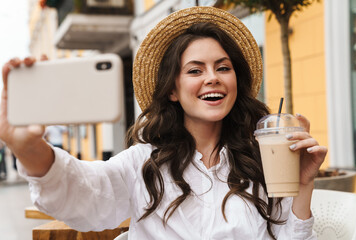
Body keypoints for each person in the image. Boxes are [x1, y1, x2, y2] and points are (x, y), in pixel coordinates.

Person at [0, 6, 327, 239]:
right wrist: (29, 149)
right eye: (195, 70)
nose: (212, 78)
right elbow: (83, 194)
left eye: (223, 68)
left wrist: (304, 184)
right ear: (172, 89)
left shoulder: (263, 161)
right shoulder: (143, 163)